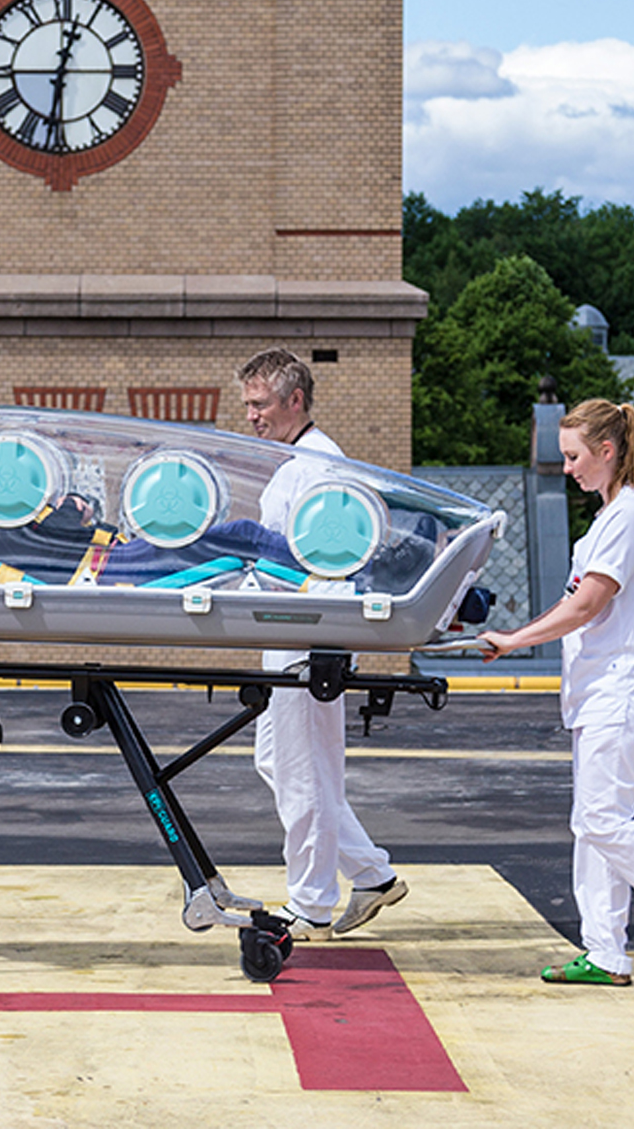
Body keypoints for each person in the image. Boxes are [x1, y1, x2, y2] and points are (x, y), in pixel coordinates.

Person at [481, 399, 634, 988]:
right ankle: (605, 952)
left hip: (627, 689)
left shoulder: (630, 515)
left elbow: (587, 604)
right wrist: (514, 637)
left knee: (604, 819)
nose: (566, 468)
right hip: (605, 692)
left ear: (607, 452)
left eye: (573, 456)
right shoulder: (612, 517)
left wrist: (514, 641)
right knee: (594, 822)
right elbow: (573, 602)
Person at [237, 347, 407, 940]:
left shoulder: (317, 468)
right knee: (277, 760)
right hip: (292, 628)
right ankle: (371, 874)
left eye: (260, 404)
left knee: (303, 769)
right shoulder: (299, 462)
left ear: (295, 400)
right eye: (248, 405)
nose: (251, 416)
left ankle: (310, 903)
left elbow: (318, 558)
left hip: (307, 631)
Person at [0, 435, 306, 587]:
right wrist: (71, 510)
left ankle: (313, 574)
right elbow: (38, 544)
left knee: (236, 541)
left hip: (112, 561)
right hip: (111, 569)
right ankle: (322, 574)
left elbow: (28, 541)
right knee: (244, 536)